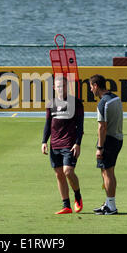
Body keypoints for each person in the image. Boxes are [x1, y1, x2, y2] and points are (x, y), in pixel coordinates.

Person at [42, 75, 84, 214]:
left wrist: (77, 143)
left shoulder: (76, 103)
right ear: (54, 87)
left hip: (69, 144)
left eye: (64, 86)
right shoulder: (51, 104)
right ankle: (66, 205)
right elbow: (48, 124)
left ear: (67, 87)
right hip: (55, 145)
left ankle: (77, 197)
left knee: (68, 171)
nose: (61, 88)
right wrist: (44, 141)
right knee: (59, 174)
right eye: (58, 86)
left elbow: (80, 126)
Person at [90, 74, 123, 215]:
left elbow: (102, 127)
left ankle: (112, 206)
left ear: (96, 86)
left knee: (108, 173)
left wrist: (99, 147)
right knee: (107, 172)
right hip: (118, 138)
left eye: (91, 87)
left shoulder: (103, 103)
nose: (91, 90)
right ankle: (108, 203)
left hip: (108, 141)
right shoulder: (115, 98)